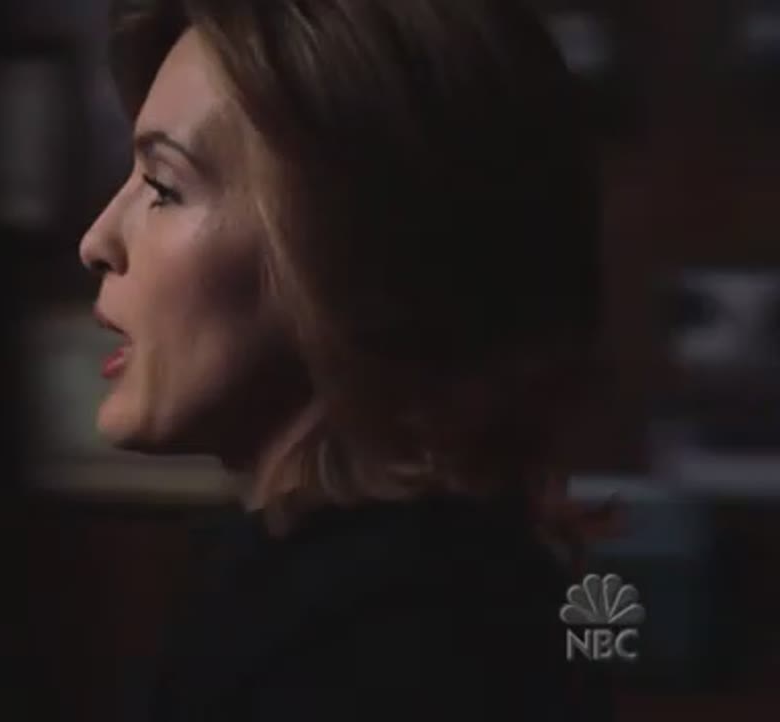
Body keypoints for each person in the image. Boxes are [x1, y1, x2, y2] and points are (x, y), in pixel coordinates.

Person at [78, 0, 611, 720]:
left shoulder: (388, 658)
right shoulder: (345, 595)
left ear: (354, 249)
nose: (97, 240)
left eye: (164, 188)